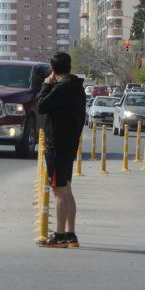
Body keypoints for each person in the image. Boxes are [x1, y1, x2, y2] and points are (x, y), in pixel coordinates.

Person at [36, 52, 86, 248]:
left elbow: (41, 105)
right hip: (70, 144)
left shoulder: (61, 88)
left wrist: (46, 84)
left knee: (59, 191)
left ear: (53, 69)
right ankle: (70, 233)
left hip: (57, 145)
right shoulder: (76, 86)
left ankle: (59, 235)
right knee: (67, 190)